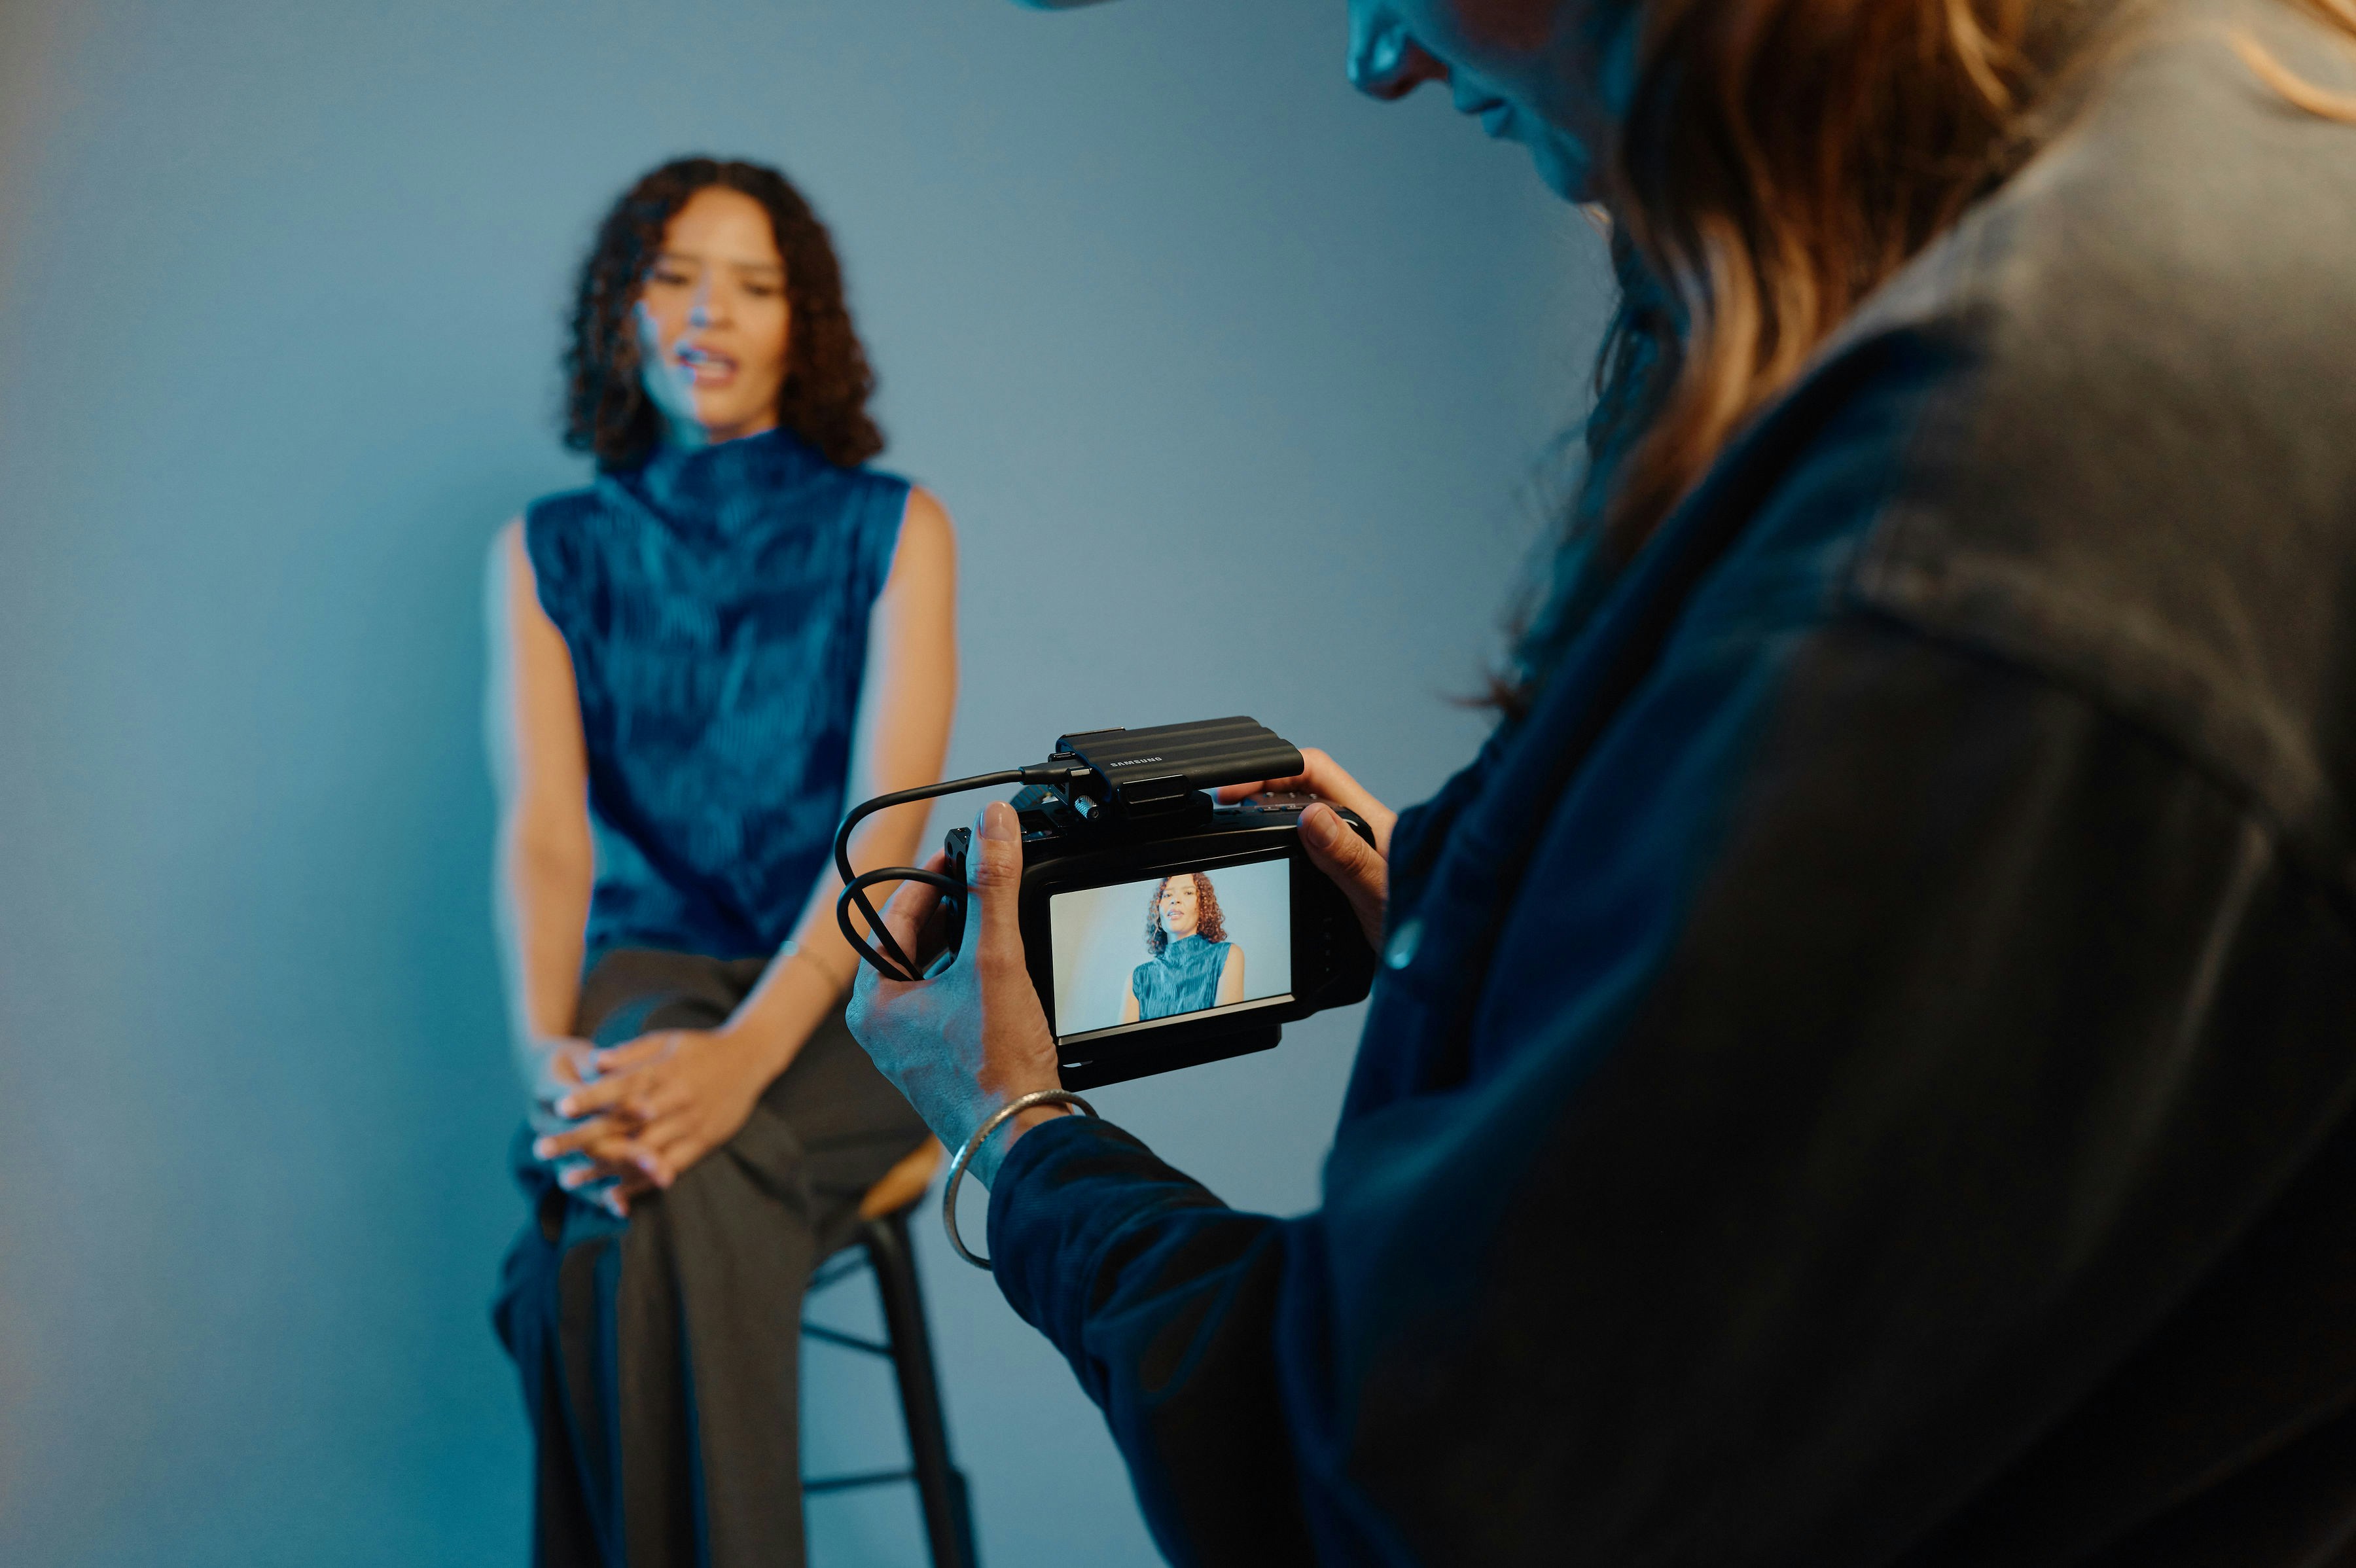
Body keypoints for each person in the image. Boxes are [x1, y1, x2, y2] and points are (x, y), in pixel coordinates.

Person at [849, 0, 2356, 1563]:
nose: (1381, 62)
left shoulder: (1992, 514)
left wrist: (1018, 1136)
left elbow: (1392, 1496)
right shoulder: (2207, 163)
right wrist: (1501, 899)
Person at [486, 156, 954, 1568]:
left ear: (802, 323)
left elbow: (888, 845)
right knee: (660, 1160)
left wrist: (744, 1060)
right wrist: (545, 1056)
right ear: (624, 307)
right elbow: (547, 827)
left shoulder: (896, 529)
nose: (711, 312)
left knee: (613, 1227)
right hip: (650, 979)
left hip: (857, 995)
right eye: (677, 275)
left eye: (754, 286)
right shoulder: (549, 549)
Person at [1123, 872, 1247, 1023]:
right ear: (1159, 910)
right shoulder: (1138, 978)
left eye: (1188, 892)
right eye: (1168, 895)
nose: (1175, 900)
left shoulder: (1228, 956)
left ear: (1203, 907)